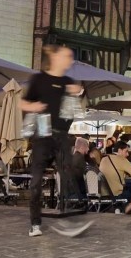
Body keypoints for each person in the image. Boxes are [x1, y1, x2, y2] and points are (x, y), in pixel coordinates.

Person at [20, 44, 85, 238]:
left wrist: (78, 92)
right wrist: (33, 106)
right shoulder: (38, 79)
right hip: (42, 135)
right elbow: (21, 102)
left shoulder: (67, 81)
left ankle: (68, 219)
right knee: (36, 181)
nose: (70, 61)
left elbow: (73, 108)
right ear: (55, 58)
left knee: (68, 174)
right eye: (67, 56)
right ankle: (35, 223)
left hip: (62, 136)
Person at [100, 140, 131, 214]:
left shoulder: (103, 159)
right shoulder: (122, 159)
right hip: (116, 194)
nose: (128, 154)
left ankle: (117, 209)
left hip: (103, 194)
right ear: (119, 150)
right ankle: (122, 213)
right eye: (126, 151)